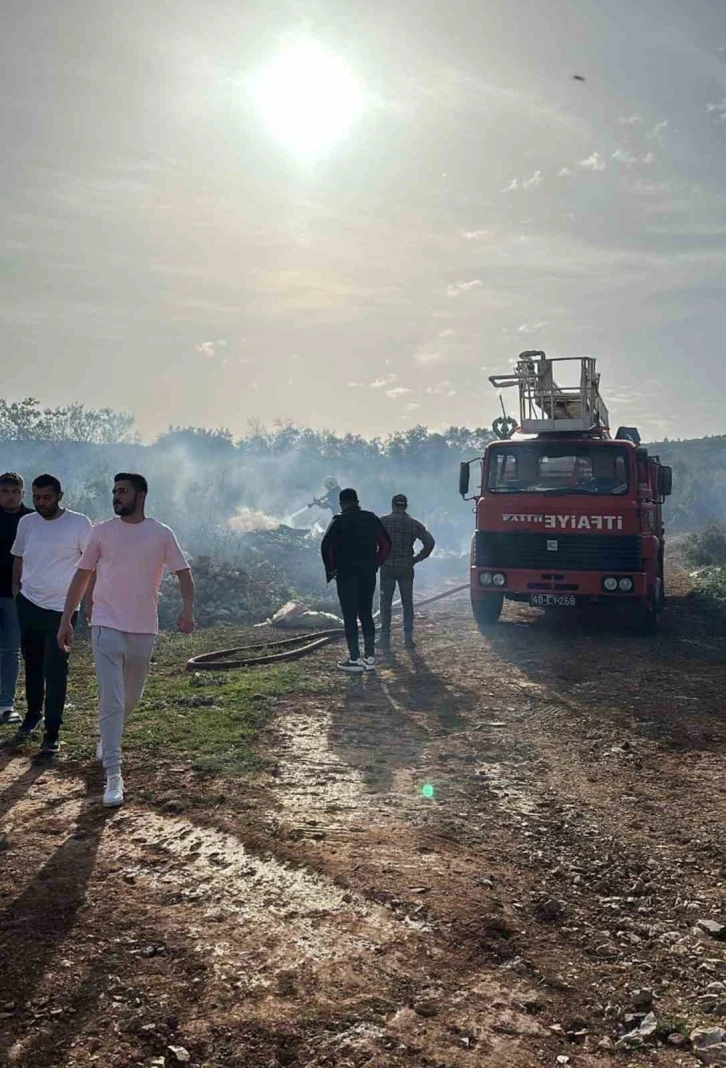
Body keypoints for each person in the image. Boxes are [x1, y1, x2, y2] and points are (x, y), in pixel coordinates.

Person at [58, 473, 195, 807]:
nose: (116, 497)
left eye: (123, 491)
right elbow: (82, 574)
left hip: (144, 628)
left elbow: (183, 572)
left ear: (141, 495)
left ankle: (108, 737)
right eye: (114, 492)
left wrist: (188, 608)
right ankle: (114, 775)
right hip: (105, 624)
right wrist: (67, 619)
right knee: (112, 699)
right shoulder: (101, 532)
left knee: (131, 697)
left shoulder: (161, 533)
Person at [10, 474, 92, 754]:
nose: (41, 502)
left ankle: (52, 733)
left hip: (63, 608)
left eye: (46, 497)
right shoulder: (27, 523)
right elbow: (19, 557)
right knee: (32, 664)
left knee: (56, 670)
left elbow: (89, 565)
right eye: (36, 497)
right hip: (29, 603)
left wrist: (87, 602)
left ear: (59, 496)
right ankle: (33, 715)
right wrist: (16, 590)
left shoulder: (79, 523)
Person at [321, 487, 391, 674]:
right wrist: (377, 562)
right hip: (368, 574)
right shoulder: (371, 518)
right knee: (366, 613)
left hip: (346, 575)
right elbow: (385, 544)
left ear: (341, 503)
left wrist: (331, 569)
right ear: (357, 501)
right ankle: (369, 658)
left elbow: (326, 546)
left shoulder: (339, 520)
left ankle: (354, 659)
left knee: (350, 616)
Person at [379, 494, 435, 651]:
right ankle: (408, 639)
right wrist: (417, 558)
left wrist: (378, 557)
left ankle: (384, 638)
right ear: (405, 506)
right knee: (407, 603)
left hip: (388, 566)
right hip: (406, 567)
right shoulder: (413, 524)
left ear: (392, 505)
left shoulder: (383, 522)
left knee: (385, 604)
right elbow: (430, 542)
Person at [0, 473, 33, 724]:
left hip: (18, 594)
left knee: (11, 651)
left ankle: (5, 705)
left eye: (14, 491)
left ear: (23, 493)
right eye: (4, 491)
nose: (9, 496)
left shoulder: (33, 520)